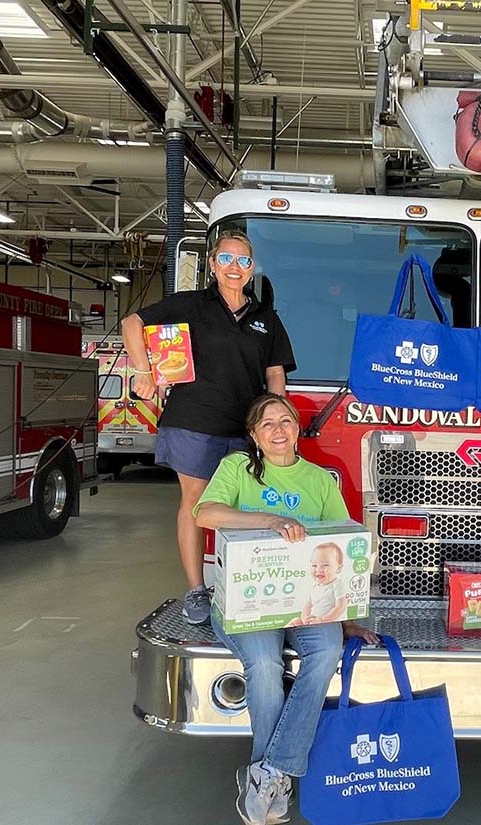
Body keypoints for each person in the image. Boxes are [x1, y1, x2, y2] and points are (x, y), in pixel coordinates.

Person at [195, 393, 378, 825]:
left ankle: (268, 772)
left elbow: (343, 539)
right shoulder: (236, 469)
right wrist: (270, 520)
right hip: (245, 604)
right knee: (263, 661)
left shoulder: (318, 480)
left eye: (286, 421)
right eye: (267, 424)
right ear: (254, 437)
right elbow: (206, 513)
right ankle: (272, 777)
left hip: (307, 604)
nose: (279, 430)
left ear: (297, 429)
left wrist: (349, 617)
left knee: (327, 649)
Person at [122, 230, 296, 624]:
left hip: (247, 429)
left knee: (247, 508)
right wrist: (142, 370)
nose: (235, 268)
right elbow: (132, 322)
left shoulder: (266, 318)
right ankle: (198, 590)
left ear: (252, 270)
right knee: (198, 507)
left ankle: (242, 584)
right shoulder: (190, 305)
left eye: (244, 261)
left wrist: (278, 420)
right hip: (194, 423)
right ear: (213, 265)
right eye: (227, 259)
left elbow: (275, 375)